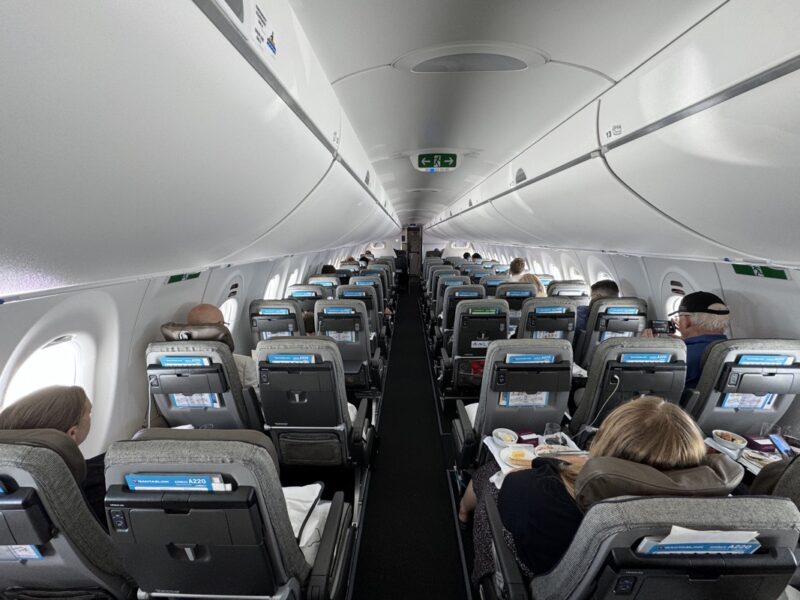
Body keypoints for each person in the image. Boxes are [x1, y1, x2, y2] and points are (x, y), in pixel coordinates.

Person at [462, 396, 710, 583]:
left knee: (491, 480)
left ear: (605, 442)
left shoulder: (544, 494)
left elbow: (512, 489)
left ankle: (466, 524)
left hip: (536, 581)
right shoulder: (704, 521)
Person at [0, 385, 107, 528]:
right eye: (89, 413)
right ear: (72, 433)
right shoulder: (102, 476)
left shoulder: (10, 484)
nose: (90, 417)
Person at [643, 291, 729, 389]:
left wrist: (646, 351)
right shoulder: (732, 349)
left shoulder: (680, 356)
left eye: (679, 317)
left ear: (687, 321)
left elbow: (651, 385)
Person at [187, 303, 259, 392]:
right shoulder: (243, 364)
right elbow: (256, 398)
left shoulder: (172, 359)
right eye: (223, 324)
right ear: (220, 325)